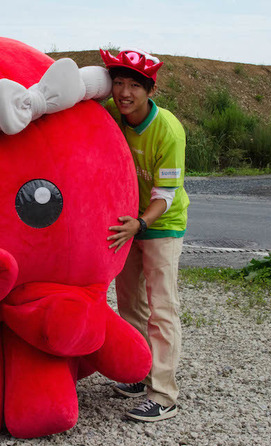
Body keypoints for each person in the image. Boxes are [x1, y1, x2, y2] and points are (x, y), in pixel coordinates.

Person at [101, 48, 190, 422]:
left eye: (134, 85)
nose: (124, 92)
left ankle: (164, 394)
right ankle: (139, 375)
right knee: (130, 304)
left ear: (149, 90)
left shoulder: (167, 130)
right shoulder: (110, 115)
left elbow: (165, 195)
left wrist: (142, 222)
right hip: (128, 222)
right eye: (118, 83)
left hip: (161, 224)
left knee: (162, 308)